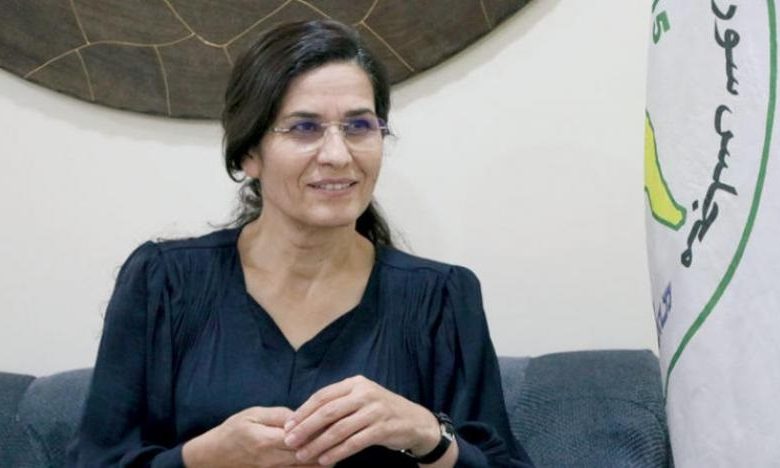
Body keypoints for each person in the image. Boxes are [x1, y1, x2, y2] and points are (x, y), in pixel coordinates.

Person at [66, 19, 534, 467]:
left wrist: (426, 435)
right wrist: (206, 456)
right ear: (249, 154)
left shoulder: (442, 297)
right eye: (304, 128)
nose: (337, 155)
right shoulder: (163, 282)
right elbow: (96, 460)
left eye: (359, 126)